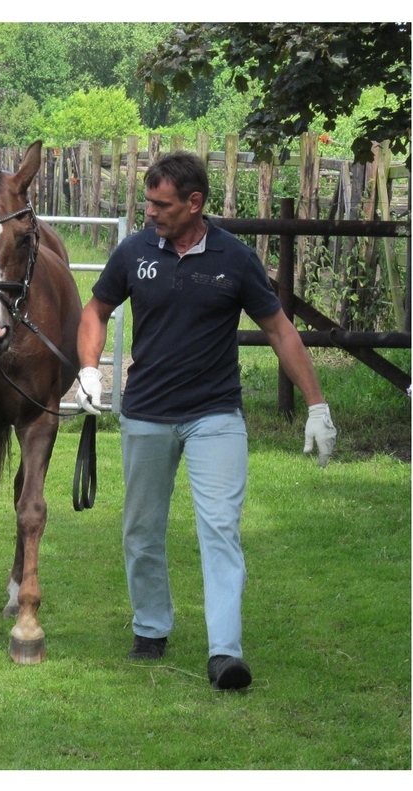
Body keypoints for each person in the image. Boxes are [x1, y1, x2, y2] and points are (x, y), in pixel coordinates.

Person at [75, 150, 337, 691]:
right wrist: (88, 368)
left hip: (215, 415)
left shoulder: (234, 258)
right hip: (146, 413)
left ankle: (225, 652)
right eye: (148, 201)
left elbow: (281, 331)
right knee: (141, 529)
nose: (150, 212)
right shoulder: (135, 251)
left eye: (161, 204)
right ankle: (150, 629)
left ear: (195, 203)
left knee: (219, 527)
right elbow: (96, 310)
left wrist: (317, 405)